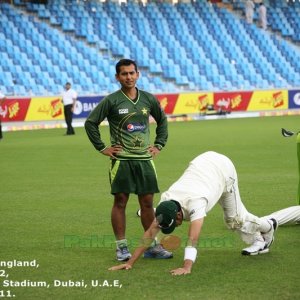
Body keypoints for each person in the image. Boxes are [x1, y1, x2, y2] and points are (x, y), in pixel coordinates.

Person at [109, 151, 282, 275]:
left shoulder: (196, 203)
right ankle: (260, 236)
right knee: (234, 220)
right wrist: (130, 263)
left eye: (174, 225)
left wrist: (187, 266)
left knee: (234, 221)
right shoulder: (166, 201)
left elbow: (193, 239)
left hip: (222, 169)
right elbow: (150, 232)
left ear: (179, 215)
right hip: (202, 167)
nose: (175, 228)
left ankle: (268, 226)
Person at [84, 59, 170, 261]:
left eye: (132, 73)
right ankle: (121, 247)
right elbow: (91, 123)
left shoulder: (148, 99)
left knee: (148, 203)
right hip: (121, 160)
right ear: (117, 77)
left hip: (145, 160)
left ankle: (152, 246)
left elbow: (163, 120)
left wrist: (159, 144)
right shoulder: (112, 100)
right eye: (124, 74)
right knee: (120, 201)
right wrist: (103, 148)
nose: (128, 77)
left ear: (138, 74)